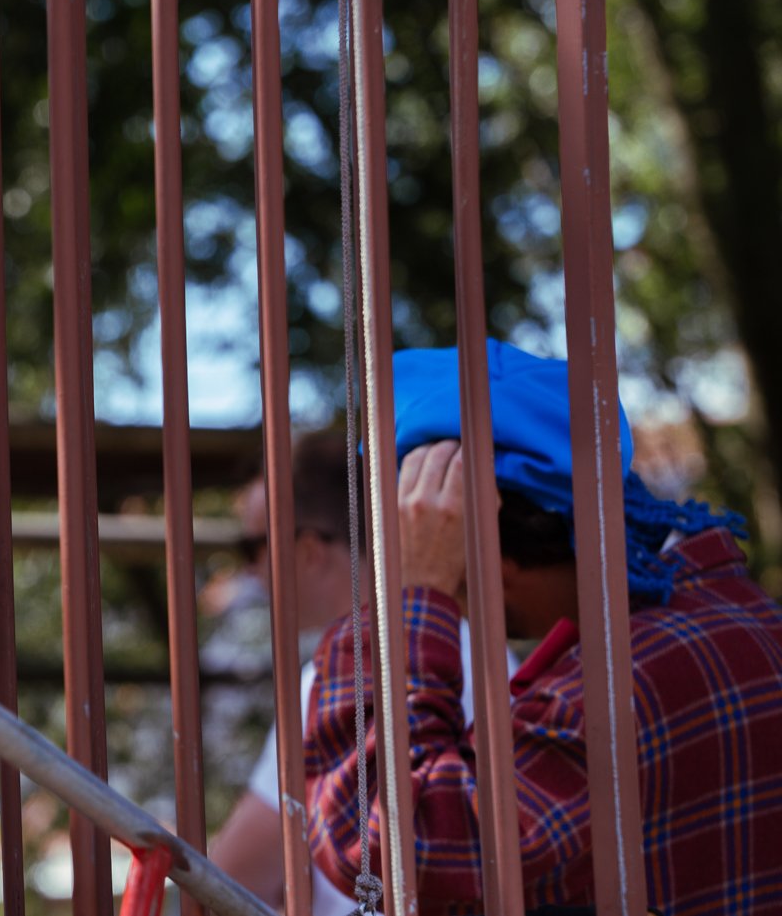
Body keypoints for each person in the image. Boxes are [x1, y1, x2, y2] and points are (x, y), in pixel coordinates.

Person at [306, 339, 782, 915]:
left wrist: (415, 598)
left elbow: (391, 855)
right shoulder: (723, 613)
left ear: (486, 552)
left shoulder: (615, 688)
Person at [209, 430, 510, 915]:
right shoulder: (493, 659)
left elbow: (230, 877)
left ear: (309, 551)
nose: (248, 573)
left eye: (251, 547)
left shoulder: (329, 683)